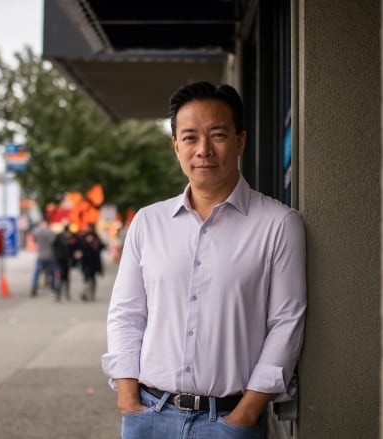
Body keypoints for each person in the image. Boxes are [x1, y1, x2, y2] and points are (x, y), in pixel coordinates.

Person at [102, 82, 307, 438]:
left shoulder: (279, 224)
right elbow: (126, 314)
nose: (203, 150)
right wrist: (127, 397)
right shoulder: (148, 223)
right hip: (149, 416)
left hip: (228, 423)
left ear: (240, 141)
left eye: (217, 135)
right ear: (176, 146)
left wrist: (246, 413)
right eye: (190, 138)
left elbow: (286, 323)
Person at [77, 225, 105, 302]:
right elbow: (80, 248)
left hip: (93, 262)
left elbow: (101, 247)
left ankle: (90, 293)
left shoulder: (96, 238)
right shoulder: (83, 238)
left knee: (92, 278)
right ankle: (85, 292)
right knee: (88, 278)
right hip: (86, 262)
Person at [30, 218, 57, 297]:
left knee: (37, 273)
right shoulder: (50, 232)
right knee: (52, 273)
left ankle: (34, 287)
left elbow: (34, 240)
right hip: (50, 255)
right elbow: (53, 242)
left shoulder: (36, 231)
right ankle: (53, 289)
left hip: (40, 255)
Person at [52, 223, 78, 301]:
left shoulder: (67, 237)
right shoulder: (62, 237)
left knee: (65, 278)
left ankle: (64, 294)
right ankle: (60, 294)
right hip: (61, 261)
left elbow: (74, 248)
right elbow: (54, 247)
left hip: (65, 261)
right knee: (61, 278)